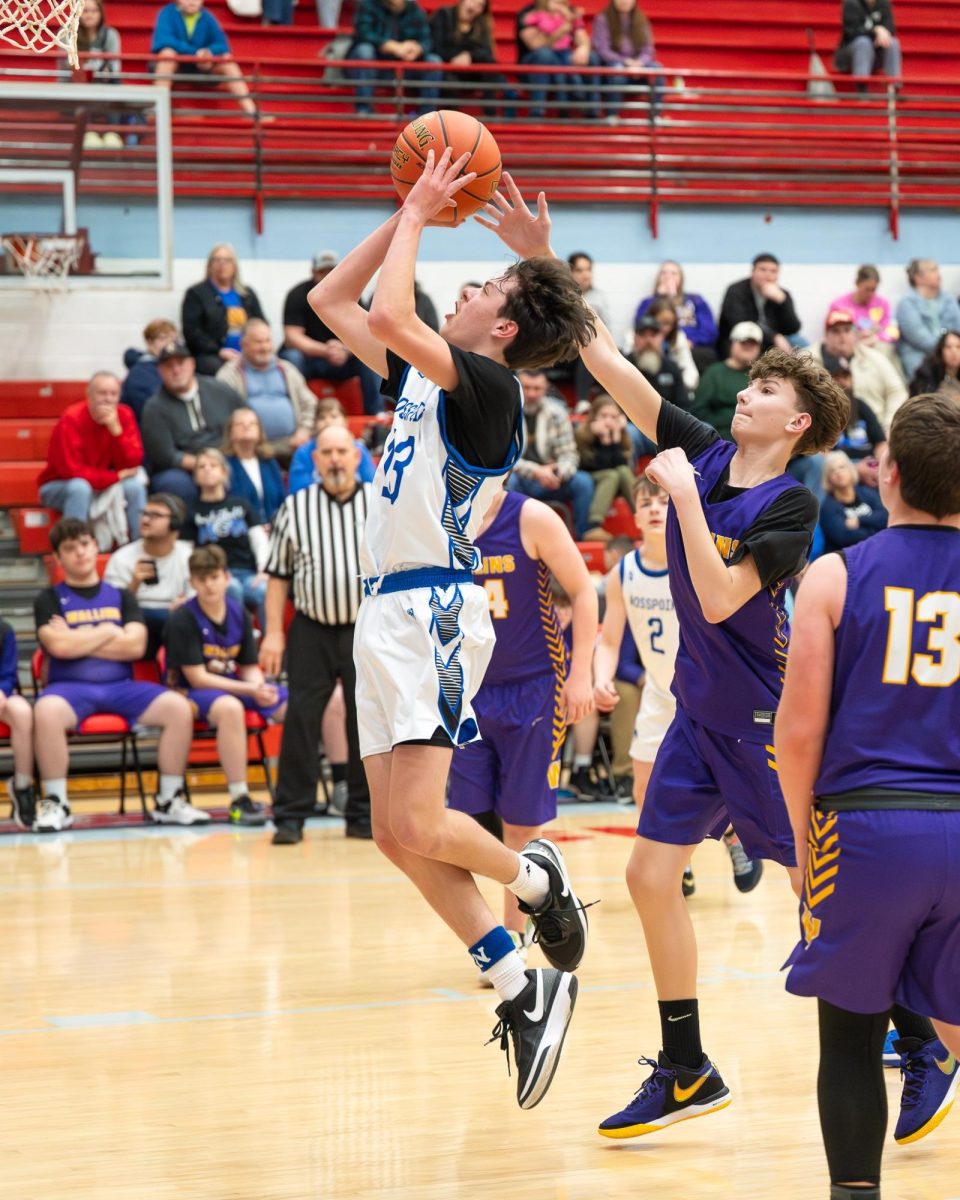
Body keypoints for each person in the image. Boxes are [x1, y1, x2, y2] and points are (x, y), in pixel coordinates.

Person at [473, 169, 852, 1132]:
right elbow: (607, 362)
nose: (746, 392)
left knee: (830, 893)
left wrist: (680, 498)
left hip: (766, 723)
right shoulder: (709, 451)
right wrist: (538, 259)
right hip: (697, 715)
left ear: (795, 422)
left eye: (764, 388)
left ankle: (926, 1037)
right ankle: (687, 1068)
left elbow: (724, 597)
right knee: (648, 878)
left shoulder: (789, 503)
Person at [310, 151, 596, 1109]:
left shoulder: (486, 387)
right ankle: (523, 987)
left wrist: (427, 213)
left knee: (429, 821)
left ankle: (540, 882)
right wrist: (402, 214)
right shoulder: (431, 376)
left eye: (484, 285)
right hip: (384, 604)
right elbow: (332, 303)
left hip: (431, 608)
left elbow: (389, 314)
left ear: (501, 326)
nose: (464, 288)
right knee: (397, 835)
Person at [776, 391, 960, 1198]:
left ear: (886, 472)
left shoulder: (835, 573)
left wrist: (799, 839)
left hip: (868, 829)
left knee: (850, 1039)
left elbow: (798, 733)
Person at [447, 487, 598, 978]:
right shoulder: (440, 518)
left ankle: (512, 937)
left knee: (520, 819)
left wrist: (580, 674)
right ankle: (536, 893)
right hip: (466, 687)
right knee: (460, 822)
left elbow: (583, 591)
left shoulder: (531, 517)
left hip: (535, 687)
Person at [593, 476, 764, 898]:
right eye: (646, 501)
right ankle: (677, 863)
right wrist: (600, 675)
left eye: (663, 500)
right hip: (658, 691)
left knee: (720, 783)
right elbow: (611, 639)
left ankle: (732, 838)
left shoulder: (696, 561)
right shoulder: (623, 573)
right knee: (643, 787)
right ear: (633, 515)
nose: (654, 507)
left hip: (707, 691)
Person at [32, 517, 202, 833]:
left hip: (122, 687)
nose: (80, 553)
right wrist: (110, 631)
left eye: (84, 544)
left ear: (96, 547)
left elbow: (135, 646)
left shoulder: (122, 596)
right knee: (44, 710)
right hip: (69, 690)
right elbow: (57, 647)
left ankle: (169, 799)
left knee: (178, 708)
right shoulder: (49, 599)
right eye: (70, 548)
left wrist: (78, 637)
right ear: (58, 557)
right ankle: (57, 803)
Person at [260, 424, 374, 843]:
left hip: (366, 628)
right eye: (326, 452)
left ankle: (363, 816)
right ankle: (290, 817)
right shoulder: (296, 506)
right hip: (311, 627)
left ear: (357, 457)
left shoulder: (379, 503)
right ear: (315, 460)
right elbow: (277, 577)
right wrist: (273, 633)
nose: (335, 460)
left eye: (342, 451)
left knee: (367, 723)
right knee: (301, 721)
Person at [165, 545, 288, 827]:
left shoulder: (239, 612)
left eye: (214, 577)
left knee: (299, 705)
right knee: (230, 708)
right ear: (192, 582)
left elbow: (247, 666)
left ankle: (293, 791)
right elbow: (197, 677)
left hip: (234, 684)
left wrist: (260, 687)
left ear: (227, 577)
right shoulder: (183, 617)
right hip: (192, 693)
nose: (209, 584)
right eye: (202, 579)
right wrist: (250, 690)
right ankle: (239, 798)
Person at [38, 371, 146, 543]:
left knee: (135, 488)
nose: (108, 399)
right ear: (89, 395)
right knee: (80, 488)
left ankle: (142, 546)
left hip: (101, 483)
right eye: (102, 393)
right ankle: (75, 545)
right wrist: (114, 477)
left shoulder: (124, 415)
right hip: (59, 486)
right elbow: (71, 471)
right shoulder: (71, 418)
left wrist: (116, 430)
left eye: (113, 394)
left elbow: (132, 463)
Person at [279, 252, 383, 415]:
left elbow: (364, 334)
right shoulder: (298, 295)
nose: (327, 276)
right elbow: (292, 337)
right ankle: (298, 415)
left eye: (332, 271)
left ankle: (377, 417)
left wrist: (344, 350)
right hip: (312, 359)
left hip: (344, 358)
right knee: (292, 358)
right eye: (322, 271)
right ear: (313, 272)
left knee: (371, 360)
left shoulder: (352, 294)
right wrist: (326, 351)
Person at [141, 339, 243, 503]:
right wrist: (205, 466)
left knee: (252, 467)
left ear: (192, 364)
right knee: (175, 483)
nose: (176, 370)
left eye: (181, 363)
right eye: (169, 366)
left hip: (225, 455)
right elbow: (165, 456)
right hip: (182, 468)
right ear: (160, 371)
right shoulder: (154, 407)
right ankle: (188, 527)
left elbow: (245, 416)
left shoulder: (219, 389)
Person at [184, 448, 270, 627]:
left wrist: (264, 570)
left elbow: (259, 539)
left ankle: (271, 642)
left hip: (247, 572)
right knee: (232, 589)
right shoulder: (191, 510)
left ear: (224, 471)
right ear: (195, 476)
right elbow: (186, 551)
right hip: (212, 576)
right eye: (201, 467)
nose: (207, 469)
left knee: (264, 590)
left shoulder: (241, 504)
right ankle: (241, 640)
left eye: (213, 465)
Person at [506, 367, 594, 540]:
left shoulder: (557, 413)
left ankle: (584, 536)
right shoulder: (505, 412)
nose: (531, 393)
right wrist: (537, 471)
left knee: (583, 482)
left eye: (537, 388)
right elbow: (505, 459)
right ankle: (510, 537)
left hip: (552, 479)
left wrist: (560, 473)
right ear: (517, 386)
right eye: (526, 387)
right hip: (521, 478)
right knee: (507, 480)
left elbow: (569, 455)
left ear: (546, 389)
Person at [103, 492, 192, 657]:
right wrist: (134, 584)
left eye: (155, 515)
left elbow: (198, 600)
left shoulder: (188, 556)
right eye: (144, 514)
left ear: (175, 523)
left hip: (176, 620)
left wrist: (187, 604)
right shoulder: (122, 558)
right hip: (136, 621)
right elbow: (110, 609)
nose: (145, 520)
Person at [215, 319, 315, 464]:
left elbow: (310, 403)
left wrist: (304, 431)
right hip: (250, 447)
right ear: (244, 344)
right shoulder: (229, 374)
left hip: (293, 444)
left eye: (267, 341)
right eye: (258, 342)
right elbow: (221, 413)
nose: (265, 347)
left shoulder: (286, 369)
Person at [152, 0, 260, 119]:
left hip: (201, 66)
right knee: (167, 54)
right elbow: (163, 41)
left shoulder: (207, 17)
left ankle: (252, 112)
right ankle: (160, 109)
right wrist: (195, 54)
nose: (192, 2)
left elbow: (222, 45)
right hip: (177, 64)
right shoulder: (166, 13)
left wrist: (208, 53)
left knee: (227, 61)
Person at [809, 309, 907, 428]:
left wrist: (889, 427)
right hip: (826, 432)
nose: (842, 336)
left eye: (847, 330)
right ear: (826, 335)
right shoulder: (807, 361)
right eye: (836, 331)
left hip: (876, 429)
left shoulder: (874, 358)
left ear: (855, 334)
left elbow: (897, 391)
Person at [182, 244, 266, 377]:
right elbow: (192, 333)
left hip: (249, 352)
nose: (222, 265)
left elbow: (261, 323)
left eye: (227, 260)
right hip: (213, 355)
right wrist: (220, 351)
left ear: (235, 266)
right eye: (217, 260)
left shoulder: (247, 294)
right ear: (209, 265)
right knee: (219, 370)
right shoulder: (196, 294)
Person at [347, 0, 443, 115]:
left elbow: (427, 40)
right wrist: (388, 45)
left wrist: (418, 48)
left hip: (404, 65)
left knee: (433, 61)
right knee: (364, 50)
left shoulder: (415, 10)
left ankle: (426, 115)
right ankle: (364, 110)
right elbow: (362, 33)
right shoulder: (368, 4)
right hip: (374, 65)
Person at [517, 0, 597, 118]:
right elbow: (536, 45)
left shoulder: (569, 12)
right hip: (535, 61)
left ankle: (592, 111)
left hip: (564, 57)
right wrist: (562, 30)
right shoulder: (530, 13)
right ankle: (537, 111)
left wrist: (583, 48)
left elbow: (581, 36)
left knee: (591, 57)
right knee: (546, 55)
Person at [635, 260, 717, 371]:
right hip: (658, 345)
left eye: (673, 273)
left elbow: (710, 331)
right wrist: (662, 298)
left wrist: (691, 341)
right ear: (658, 278)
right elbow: (642, 325)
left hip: (692, 346)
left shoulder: (695, 300)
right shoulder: (648, 302)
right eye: (664, 273)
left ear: (681, 279)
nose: (668, 277)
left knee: (706, 355)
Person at [717, 253, 803, 357]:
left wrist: (783, 302)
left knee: (802, 346)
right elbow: (740, 323)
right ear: (753, 271)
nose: (768, 275)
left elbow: (793, 328)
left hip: (774, 342)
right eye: (763, 269)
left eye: (773, 271)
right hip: (743, 339)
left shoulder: (782, 294)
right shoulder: (736, 291)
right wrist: (774, 337)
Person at [575, 392, 636, 540]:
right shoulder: (582, 434)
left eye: (613, 417)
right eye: (604, 416)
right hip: (589, 478)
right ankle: (594, 525)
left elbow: (623, 465)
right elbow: (593, 465)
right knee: (611, 474)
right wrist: (604, 439)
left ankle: (640, 513)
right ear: (594, 416)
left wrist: (613, 438)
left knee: (622, 471)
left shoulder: (621, 435)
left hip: (614, 481)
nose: (608, 421)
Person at [429, 0, 507, 112]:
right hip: (446, 68)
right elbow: (435, 47)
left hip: (470, 71)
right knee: (449, 81)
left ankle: (491, 116)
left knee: (493, 70)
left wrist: (470, 55)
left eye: (480, 5)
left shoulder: (482, 25)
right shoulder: (443, 15)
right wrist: (455, 57)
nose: (473, 7)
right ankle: (452, 121)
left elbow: (487, 54)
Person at [590, 0, 662, 120]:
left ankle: (655, 116)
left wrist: (639, 63)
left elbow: (648, 49)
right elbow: (602, 50)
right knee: (617, 69)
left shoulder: (642, 20)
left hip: (638, 65)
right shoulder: (603, 19)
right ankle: (612, 115)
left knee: (656, 69)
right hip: (614, 64)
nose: (624, 1)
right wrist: (625, 62)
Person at [287, 398, 377, 494]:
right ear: (314, 424)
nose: (328, 421)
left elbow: (372, 483)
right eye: (322, 417)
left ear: (345, 421)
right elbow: (298, 490)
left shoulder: (359, 448)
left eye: (334, 416)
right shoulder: (303, 453)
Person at [692, 320, 762, 439]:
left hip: (757, 436)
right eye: (743, 342)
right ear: (732, 343)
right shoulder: (715, 372)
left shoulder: (762, 376)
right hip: (720, 436)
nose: (748, 346)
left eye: (753, 343)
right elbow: (698, 410)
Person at [68, 0, 124, 148]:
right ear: (77, 13)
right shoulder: (68, 34)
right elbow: (65, 66)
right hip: (76, 83)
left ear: (101, 14)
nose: (89, 15)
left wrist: (105, 71)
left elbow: (116, 67)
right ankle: (88, 132)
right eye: (85, 11)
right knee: (83, 83)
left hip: (104, 83)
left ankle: (113, 132)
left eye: (94, 11)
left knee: (115, 85)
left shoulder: (110, 34)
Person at [895, 258, 960, 383]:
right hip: (919, 356)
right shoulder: (906, 304)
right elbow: (919, 338)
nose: (938, 274)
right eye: (933, 270)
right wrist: (945, 350)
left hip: (950, 351)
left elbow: (956, 329)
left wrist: (951, 349)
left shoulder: (948, 299)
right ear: (918, 278)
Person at [223, 407, 287, 526]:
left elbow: (282, 500)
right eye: (240, 423)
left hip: (275, 528)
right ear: (230, 432)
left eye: (252, 423)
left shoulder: (270, 463)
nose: (246, 426)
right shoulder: (225, 464)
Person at [0, 618, 35, 830]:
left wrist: (2, 692)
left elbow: (8, 675)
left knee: (22, 712)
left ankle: (22, 786)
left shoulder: (4, 629)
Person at [819, 450, 888, 554]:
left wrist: (859, 521)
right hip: (847, 557)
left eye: (842, 467)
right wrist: (875, 530)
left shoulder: (866, 492)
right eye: (832, 471)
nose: (838, 472)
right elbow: (843, 537)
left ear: (850, 469)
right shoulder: (828, 506)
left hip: (874, 550)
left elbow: (885, 516)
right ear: (828, 478)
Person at [122, 318, 179, 423]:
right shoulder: (140, 374)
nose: (169, 345)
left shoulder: (171, 368)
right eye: (163, 339)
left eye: (173, 340)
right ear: (149, 343)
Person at [626, 315, 688, 411]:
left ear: (662, 338)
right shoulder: (624, 365)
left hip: (666, 422)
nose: (648, 340)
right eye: (643, 335)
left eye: (653, 335)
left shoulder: (671, 367)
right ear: (634, 338)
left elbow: (683, 404)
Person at [828, 265, 898, 348]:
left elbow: (893, 332)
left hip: (878, 346)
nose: (870, 294)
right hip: (852, 348)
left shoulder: (883, 304)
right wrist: (857, 337)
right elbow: (832, 335)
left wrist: (876, 337)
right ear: (857, 284)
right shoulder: (839, 306)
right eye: (867, 289)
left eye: (873, 289)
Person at [834, 0, 901, 87]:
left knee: (892, 42)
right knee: (863, 43)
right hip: (851, 54)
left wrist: (884, 33)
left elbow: (890, 28)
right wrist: (875, 30)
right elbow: (852, 32)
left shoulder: (884, 4)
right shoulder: (851, 4)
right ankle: (862, 88)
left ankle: (894, 86)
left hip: (875, 54)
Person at [646, 297, 699, 394]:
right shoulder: (637, 338)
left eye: (668, 324)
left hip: (672, 392)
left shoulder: (679, 339)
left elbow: (692, 374)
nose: (664, 328)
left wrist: (678, 387)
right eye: (660, 322)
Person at [909, 329, 960, 398]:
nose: (954, 352)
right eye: (948, 347)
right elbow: (924, 399)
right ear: (940, 350)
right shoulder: (927, 371)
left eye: (958, 347)